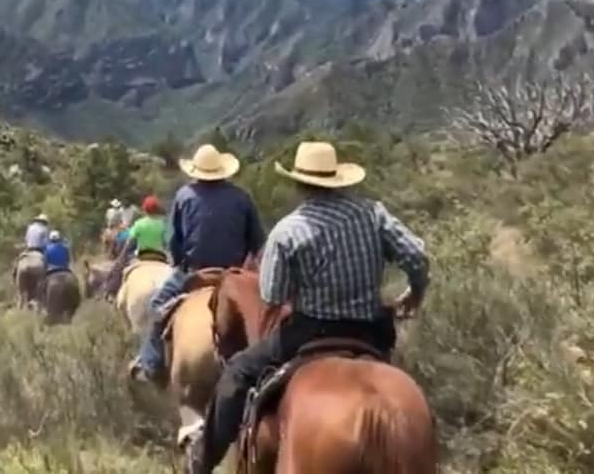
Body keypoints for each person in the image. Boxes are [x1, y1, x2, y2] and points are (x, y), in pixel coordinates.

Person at [184, 141, 432, 474]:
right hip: (371, 332)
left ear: (299, 183)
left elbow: (273, 295)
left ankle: (202, 461)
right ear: (338, 179)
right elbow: (416, 256)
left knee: (237, 374)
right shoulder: (374, 214)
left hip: (307, 333)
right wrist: (414, 292)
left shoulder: (288, 231)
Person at [130, 144, 265, 384]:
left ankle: (151, 365)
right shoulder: (242, 198)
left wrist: (180, 262)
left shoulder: (184, 196)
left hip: (195, 271)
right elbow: (257, 244)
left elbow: (174, 241)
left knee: (157, 305)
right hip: (234, 274)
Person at [104, 195, 167, 298]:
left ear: (145, 210)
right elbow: (165, 243)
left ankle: (111, 292)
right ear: (156, 210)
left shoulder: (139, 224)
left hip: (142, 255)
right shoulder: (162, 224)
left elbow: (130, 241)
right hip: (160, 256)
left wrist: (122, 255)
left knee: (118, 268)